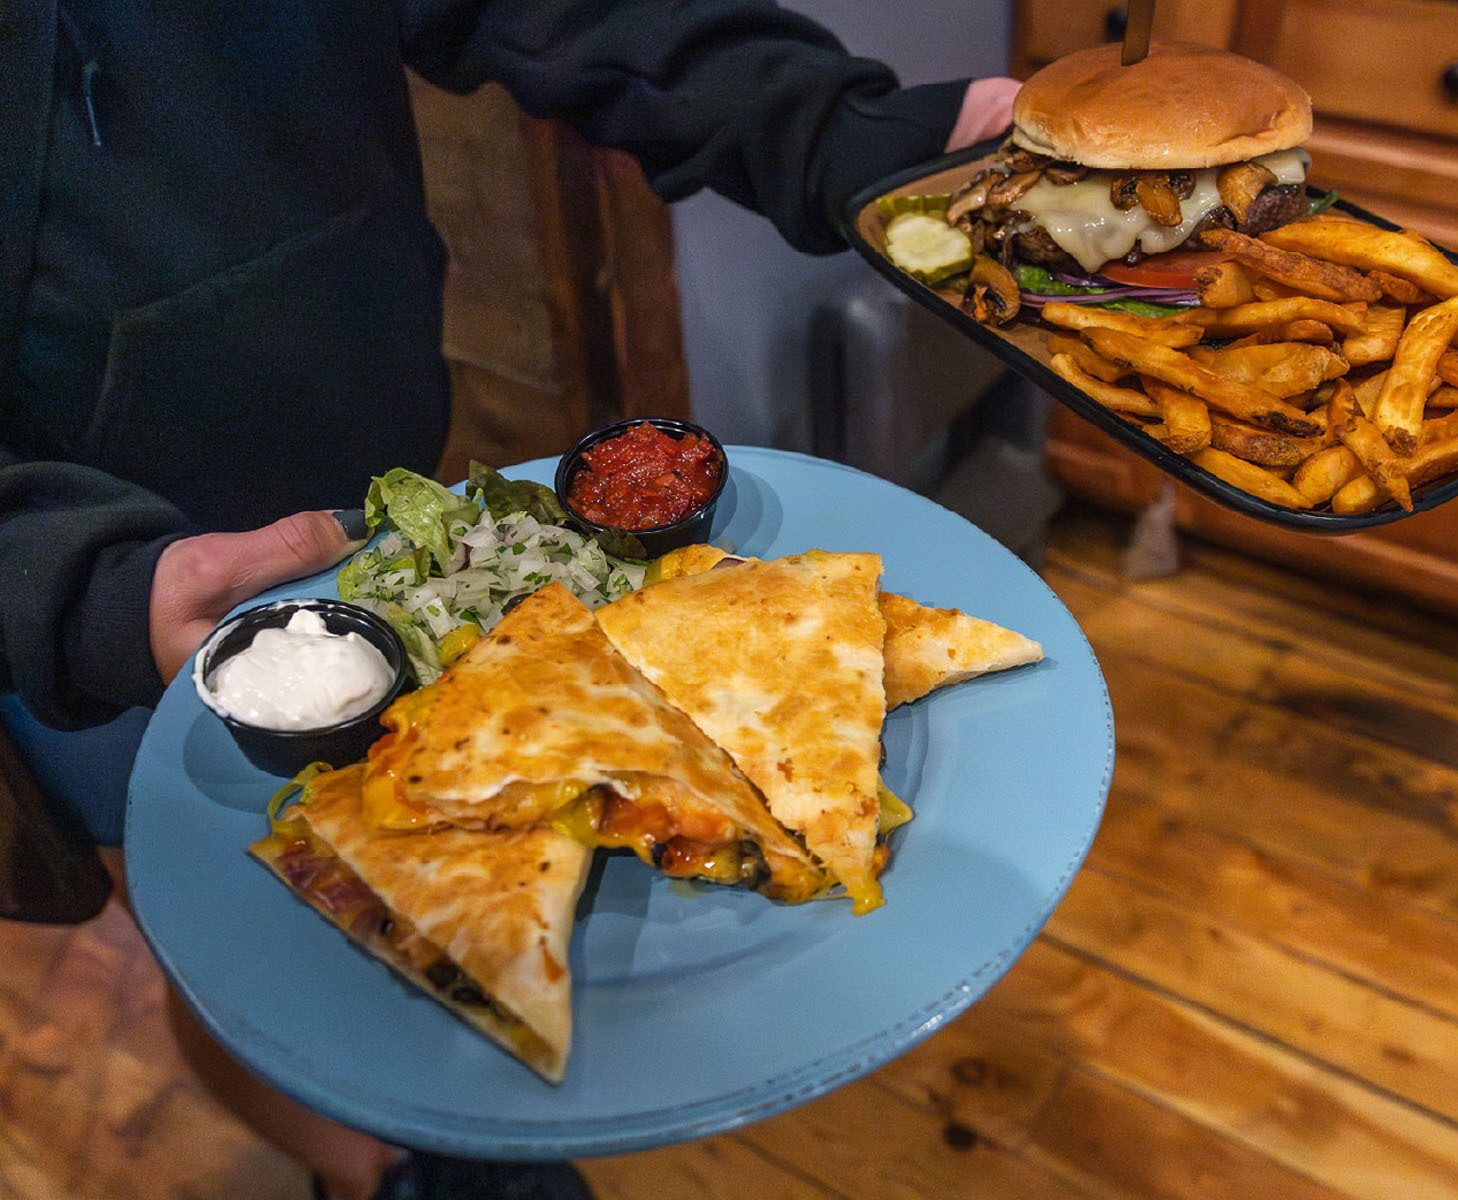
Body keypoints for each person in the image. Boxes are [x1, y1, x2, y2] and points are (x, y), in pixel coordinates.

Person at [0, 1, 1020, 1196]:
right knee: (242, 956)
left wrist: (861, 136)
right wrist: (76, 586)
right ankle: (385, 1170)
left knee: (431, 920)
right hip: (93, 609)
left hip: (376, 496)